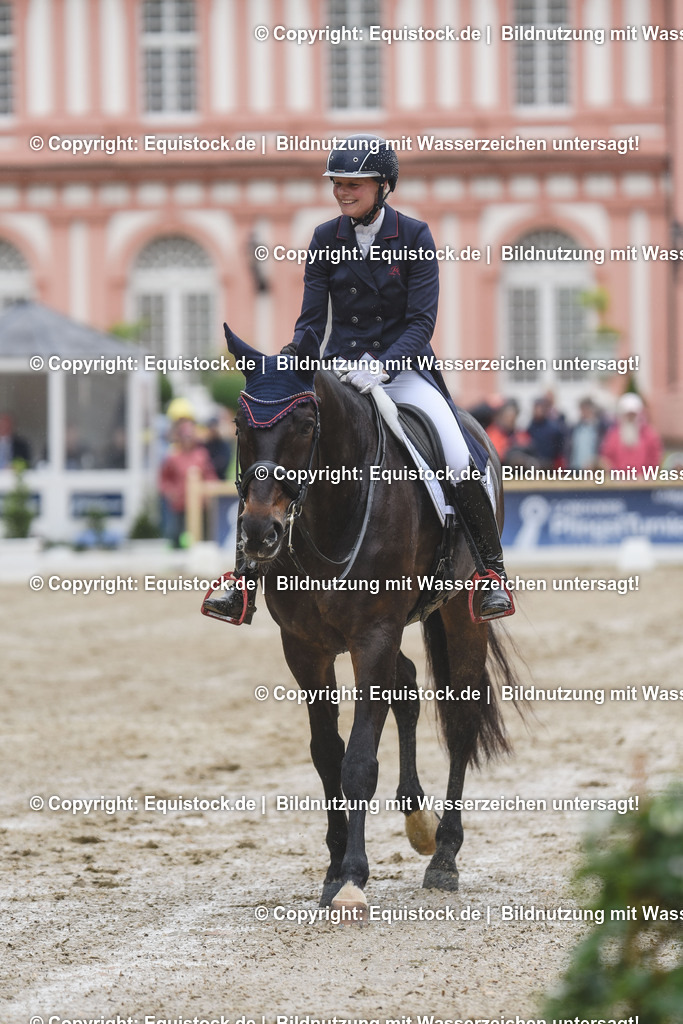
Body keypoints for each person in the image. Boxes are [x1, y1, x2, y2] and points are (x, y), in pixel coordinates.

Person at [204, 134, 513, 623]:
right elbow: (310, 322)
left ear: (383, 186)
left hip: (404, 371)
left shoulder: (414, 236)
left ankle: (490, 575)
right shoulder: (326, 238)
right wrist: (292, 363)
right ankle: (242, 581)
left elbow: (421, 322)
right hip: (341, 369)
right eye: (338, 185)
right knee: (275, 446)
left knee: (456, 451)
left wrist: (385, 365)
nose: (343, 192)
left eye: (353, 184)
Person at [159, 413, 217, 548]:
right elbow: (164, 478)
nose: (188, 439)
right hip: (179, 504)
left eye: (190, 436)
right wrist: (169, 491)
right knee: (175, 536)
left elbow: (210, 475)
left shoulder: (201, 454)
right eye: (185, 436)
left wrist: (209, 490)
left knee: (202, 538)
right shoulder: (173, 456)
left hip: (199, 505)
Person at [599, 392, 662, 476]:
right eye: (628, 414)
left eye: (633, 415)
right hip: (618, 482)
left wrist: (646, 475)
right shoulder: (612, 435)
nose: (630, 418)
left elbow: (655, 458)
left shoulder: (650, 435)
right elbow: (606, 458)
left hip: (643, 482)